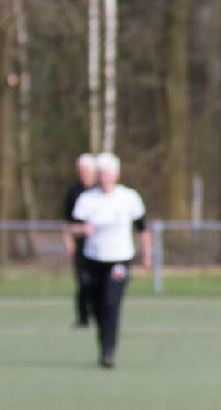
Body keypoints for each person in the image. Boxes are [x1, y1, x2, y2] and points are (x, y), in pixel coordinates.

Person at [71, 153, 152, 368]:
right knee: (97, 305)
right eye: (101, 174)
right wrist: (82, 229)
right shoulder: (88, 199)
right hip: (93, 259)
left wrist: (146, 253)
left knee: (111, 303)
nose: (105, 178)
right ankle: (103, 343)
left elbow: (142, 227)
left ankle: (108, 351)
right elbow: (72, 228)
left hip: (119, 259)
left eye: (108, 174)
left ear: (116, 175)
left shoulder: (129, 198)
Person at [63, 153, 97, 327]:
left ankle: (98, 313)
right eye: (81, 170)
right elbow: (68, 222)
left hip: (100, 245)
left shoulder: (100, 190)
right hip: (81, 242)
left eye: (87, 170)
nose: (84, 174)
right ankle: (83, 316)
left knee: (97, 282)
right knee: (82, 280)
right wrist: (68, 240)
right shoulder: (73, 191)